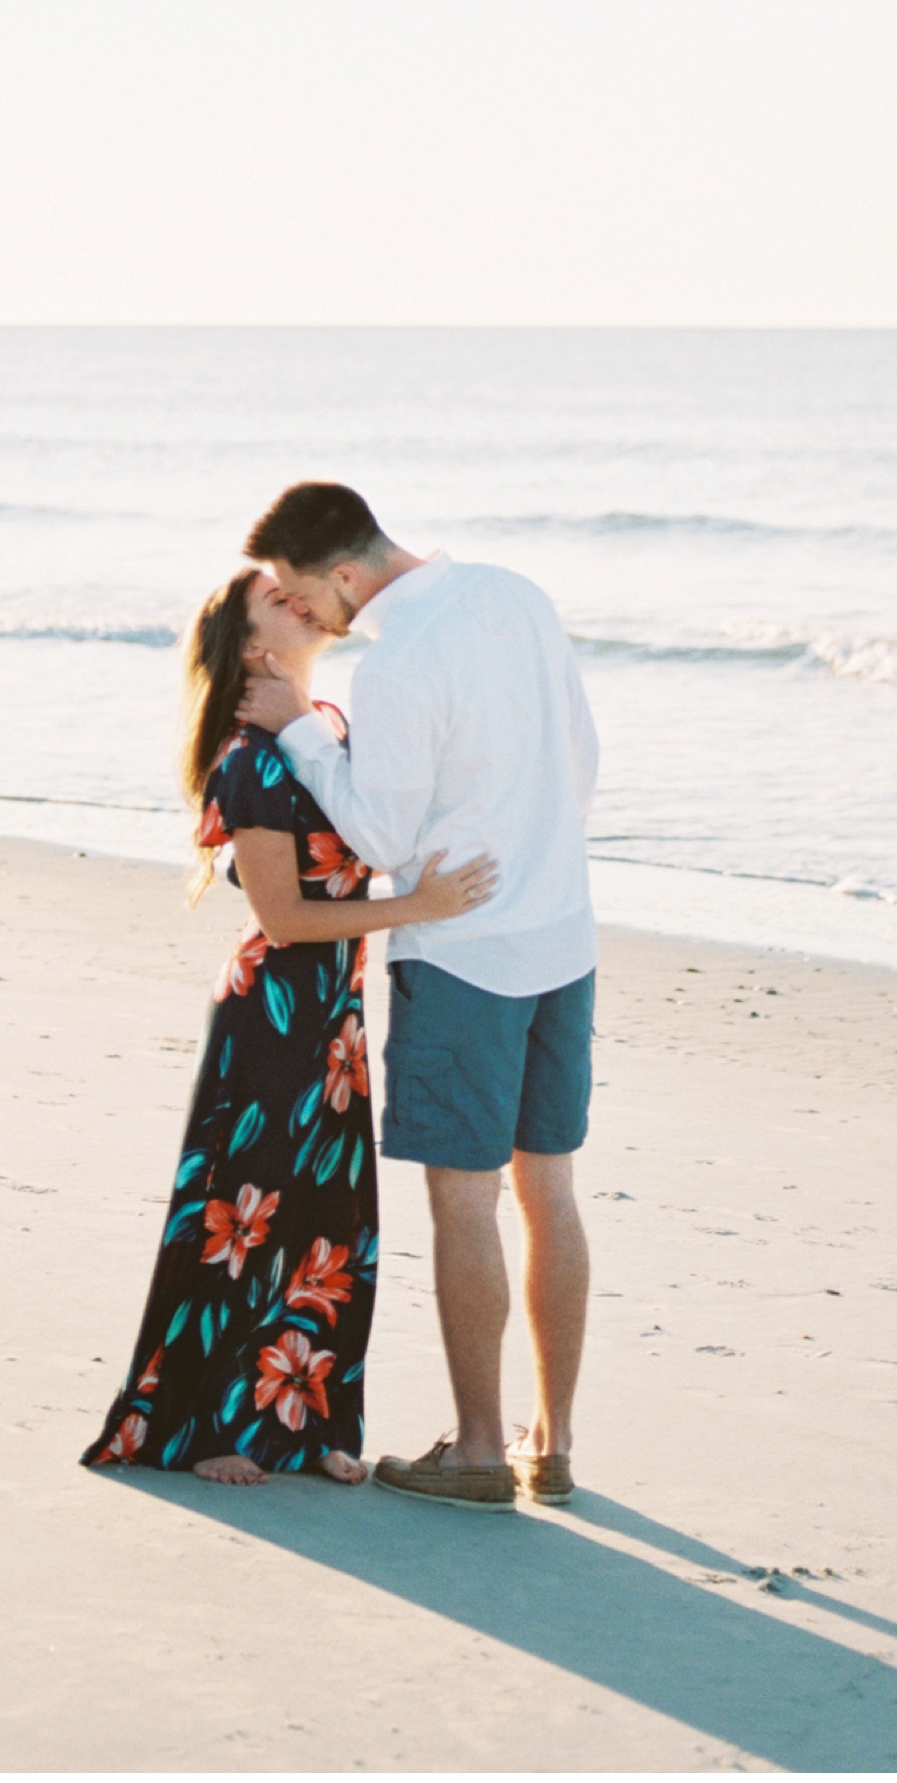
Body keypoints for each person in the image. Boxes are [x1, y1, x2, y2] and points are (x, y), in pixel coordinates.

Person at [81, 566, 496, 1488]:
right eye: (279, 599)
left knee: (329, 1221)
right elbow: (284, 921)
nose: (302, 601)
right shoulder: (250, 761)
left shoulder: (327, 735)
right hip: (269, 1016)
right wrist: (416, 905)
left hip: (335, 1021)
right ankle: (210, 1426)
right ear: (254, 646)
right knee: (247, 1216)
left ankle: (305, 1427)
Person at [238, 480, 598, 1511]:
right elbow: (581, 762)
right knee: (551, 1191)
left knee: (463, 1201)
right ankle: (554, 1440)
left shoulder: (395, 661)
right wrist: (532, 856)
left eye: (305, 597)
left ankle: (482, 1448)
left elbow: (382, 840)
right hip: (562, 933)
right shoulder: (514, 593)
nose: (304, 616)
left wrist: (304, 731)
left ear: (344, 573)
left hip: (463, 956)